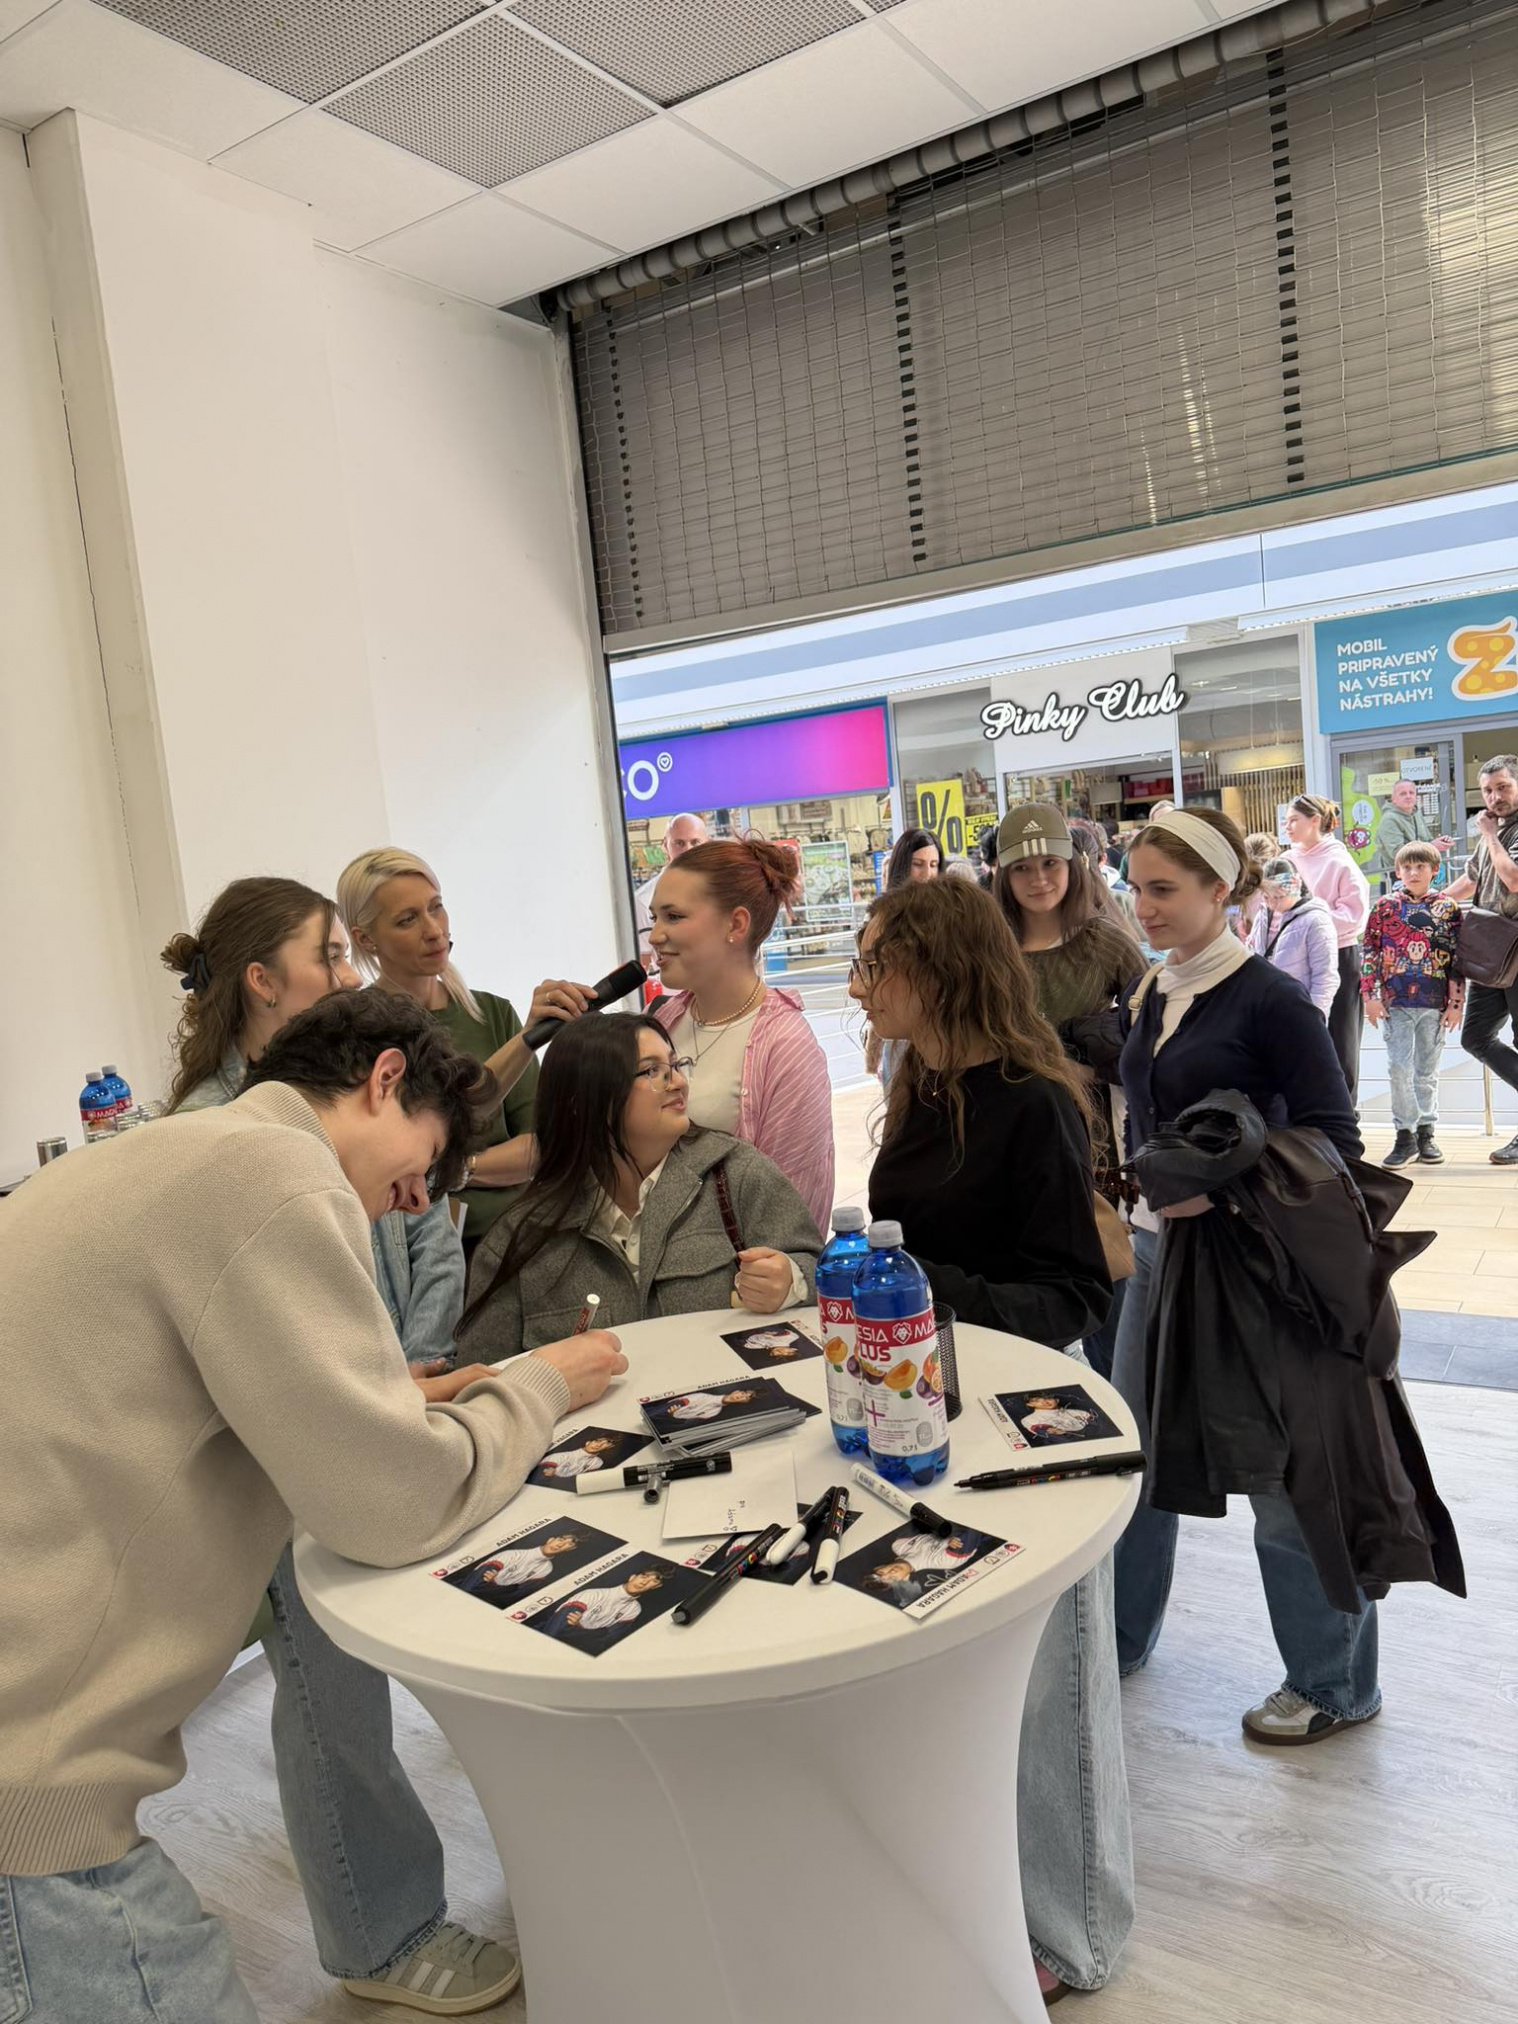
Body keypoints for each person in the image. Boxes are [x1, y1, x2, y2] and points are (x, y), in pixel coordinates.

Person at [0, 989, 626, 2023]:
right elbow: (394, 1505)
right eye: (423, 1163)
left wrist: (396, 1402)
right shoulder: (273, 1173)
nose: (413, 1201)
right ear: (384, 1077)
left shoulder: (169, 1153)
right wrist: (541, 1384)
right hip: (31, 1808)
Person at [161, 878, 518, 2007]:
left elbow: (419, 1249)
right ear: (262, 980)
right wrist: (495, 1396)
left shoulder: (302, 1137)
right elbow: (347, 1445)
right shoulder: (233, 1150)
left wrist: (397, 1372)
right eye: (333, 953)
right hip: (282, 1445)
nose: (353, 970)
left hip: (360, 1401)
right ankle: (381, 1936)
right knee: (330, 1686)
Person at [849, 879, 1126, 2004]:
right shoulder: (919, 1083)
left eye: (875, 964)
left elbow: (1071, 1295)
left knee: (1056, 1689)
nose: (859, 987)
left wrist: (915, 1286)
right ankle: (983, 1896)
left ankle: (1071, 1930)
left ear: (938, 965)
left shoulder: (1032, 1101)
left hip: (1031, 1418)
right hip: (937, 1408)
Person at [1114, 805, 1377, 1747]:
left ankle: (1333, 1684)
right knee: (1135, 1456)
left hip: (1252, 1263)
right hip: (1157, 1254)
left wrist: (1223, 1195)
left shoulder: (1270, 1000)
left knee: (1287, 1475)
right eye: (1136, 889)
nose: (1143, 907)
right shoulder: (1157, 987)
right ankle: (1118, 1640)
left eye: (1163, 890)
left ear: (1221, 890)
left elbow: (1337, 1143)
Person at [458, 1016, 822, 1360]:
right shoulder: (520, 1238)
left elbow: (825, 1272)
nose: (678, 1083)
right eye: (652, 1071)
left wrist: (792, 1281)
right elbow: (482, 1380)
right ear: (585, 1098)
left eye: (675, 1066)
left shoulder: (735, 1173)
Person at [338, 847, 593, 1249]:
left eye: (436, 907)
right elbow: (393, 1161)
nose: (433, 930)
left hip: (519, 1240)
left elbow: (541, 1145)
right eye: (407, 919)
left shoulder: (492, 1013)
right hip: (418, 1252)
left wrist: (457, 1169)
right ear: (365, 939)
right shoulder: (357, 1029)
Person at [992, 803, 1142, 1379]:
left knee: (1108, 1293)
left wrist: (1097, 1065)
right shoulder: (987, 951)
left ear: (1073, 865)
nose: (1038, 879)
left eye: (1050, 863)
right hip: (1012, 1142)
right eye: (1022, 868)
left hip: (1096, 1146)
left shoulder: (1105, 941)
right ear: (1003, 875)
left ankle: (1120, 1415)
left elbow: (1148, 1031)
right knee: (1028, 1303)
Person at [647, 836, 835, 1232]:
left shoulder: (786, 1047)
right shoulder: (663, 1023)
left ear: (735, 924)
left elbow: (792, 1220)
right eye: (655, 918)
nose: (655, 935)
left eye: (674, 917)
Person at [1362, 842, 1464, 1167]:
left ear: (1435, 870)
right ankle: (1404, 1135)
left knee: (1426, 1072)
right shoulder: (1384, 907)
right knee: (1398, 1069)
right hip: (1396, 1003)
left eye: (1420, 867)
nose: (1413, 873)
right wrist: (1369, 996)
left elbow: (1458, 958)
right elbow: (1369, 951)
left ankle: (1426, 1132)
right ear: (1397, 871)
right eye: (1407, 867)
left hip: (1435, 1004)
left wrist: (1456, 1002)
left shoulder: (1448, 908)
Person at [1447, 754, 1518, 1164]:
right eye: (1488, 790)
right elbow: (1472, 877)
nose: (1494, 797)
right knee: (1474, 1036)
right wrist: (1430, 901)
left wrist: (1490, 835)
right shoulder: (1495, 829)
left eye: (1503, 787)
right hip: (1491, 950)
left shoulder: (1497, 831)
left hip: (1517, 950)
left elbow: (1513, 878)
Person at [1286, 794, 1371, 1098]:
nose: (1287, 827)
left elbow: (1355, 915)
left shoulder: (1339, 861)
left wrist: (1311, 923)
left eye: (1293, 820)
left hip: (1338, 954)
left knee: (1340, 1039)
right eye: (1285, 821)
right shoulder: (1288, 860)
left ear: (1315, 821)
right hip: (1294, 957)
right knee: (1297, 1037)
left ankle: (1345, 1113)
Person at [1250, 857, 1338, 1020]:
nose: (1272, 903)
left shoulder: (1316, 921)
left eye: (1278, 897)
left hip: (1300, 1010)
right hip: (1266, 1008)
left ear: (1294, 888)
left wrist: (1316, 1017)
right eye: (1266, 898)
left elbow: (1325, 977)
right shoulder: (1262, 916)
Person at [634, 811, 709, 964]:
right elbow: (643, 966)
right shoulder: (644, 901)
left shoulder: (721, 891)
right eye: (679, 843)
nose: (687, 850)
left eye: (695, 842)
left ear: (708, 844)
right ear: (665, 845)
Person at [1375, 778, 1453, 883]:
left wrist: (1440, 842)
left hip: (1419, 872)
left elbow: (1426, 839)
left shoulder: (1416, 814)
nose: (1408, 796)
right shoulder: (1389, 820)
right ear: (1394, 799)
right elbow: (1398, 854)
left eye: (1411, 793)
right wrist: (1432, 846)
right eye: (1403, 794)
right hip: (1398, 878)